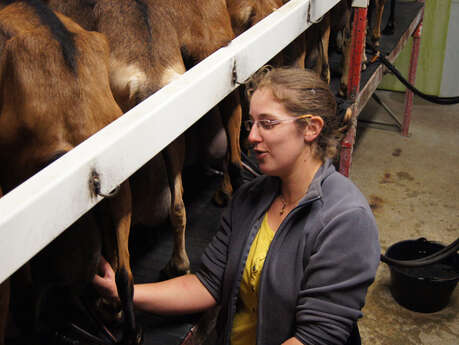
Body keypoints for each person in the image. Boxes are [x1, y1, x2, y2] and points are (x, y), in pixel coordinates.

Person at [93, 66, 380, 345]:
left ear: (310, 128)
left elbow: (317, 336)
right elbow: (208, 284)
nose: (252, 137)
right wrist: (124, 291)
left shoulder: (345, 219)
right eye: (250, 123)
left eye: (267, 123)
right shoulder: (250, 197)